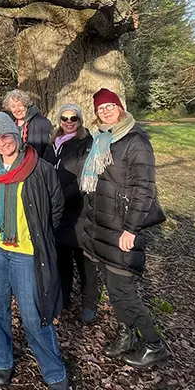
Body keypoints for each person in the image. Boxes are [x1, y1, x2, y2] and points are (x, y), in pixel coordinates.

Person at [0, 111, 69, 390]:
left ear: (16, 136)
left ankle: (55, 374)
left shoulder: (39, 168)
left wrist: (38, 235)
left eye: (6, 136)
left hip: (26, 252)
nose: (2, 143)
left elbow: (56, 207)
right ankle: (3, 363)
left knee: (34, 315)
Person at [80, 88, 168, 368]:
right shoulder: (100, 140)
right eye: (100, 108)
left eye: (110, 106)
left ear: (120, 107)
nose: (105, 111)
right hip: (101, 226)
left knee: (123, 291)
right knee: (114, 287)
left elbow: (145, 189)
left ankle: (154, 344)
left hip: (121, 228)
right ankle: (127, 334)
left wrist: (131, 229)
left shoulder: (135, 140)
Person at [48, 103, 97, 322]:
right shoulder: (52, 145)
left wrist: (59, 198)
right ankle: (65, 296)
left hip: (78, 210)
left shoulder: (85, 144)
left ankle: (89, 302)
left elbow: (82, 180)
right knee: (62, 258)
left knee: (83, 258)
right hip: (57, 212)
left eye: (73, 118)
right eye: (64, 118)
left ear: (80, 120)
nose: (68, 122)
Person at [3, 89, 53, 157]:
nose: (17, 110)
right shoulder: (8, 126)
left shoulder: (42, 123)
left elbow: (50, 151)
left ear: (26, 105)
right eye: (13, 106)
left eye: (20, 105)